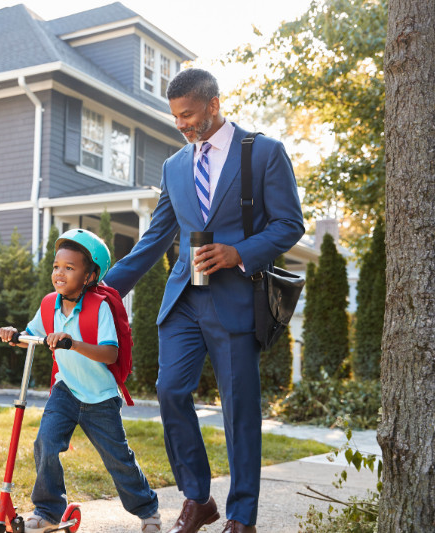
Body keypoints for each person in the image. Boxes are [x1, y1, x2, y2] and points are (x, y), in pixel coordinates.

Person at [102, 68, 305, 533]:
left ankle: (242, 516)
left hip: (235, 300)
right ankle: (197, 499)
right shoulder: (175, 165)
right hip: (184, 301)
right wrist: (105, 289)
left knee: (239, 409)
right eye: (176, 118)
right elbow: (155, 238)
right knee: (171, 392)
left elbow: (289, 224)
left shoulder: (263, 153)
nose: (182, 125)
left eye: (188, 115)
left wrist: (240, 253)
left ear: (213, 104)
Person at [0, 228, 161, 533]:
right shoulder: (49, 304)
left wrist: (72, 343)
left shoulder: (99, 307)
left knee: (118, 460)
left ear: (89, 277)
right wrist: (13, 335)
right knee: (45, 443)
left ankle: (148, 510)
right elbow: (33, 337)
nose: (59, 274)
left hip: (100, 398)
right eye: (56, 267)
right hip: (66, 391)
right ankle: (48, 510)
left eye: (69, 268)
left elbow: (110, 354)